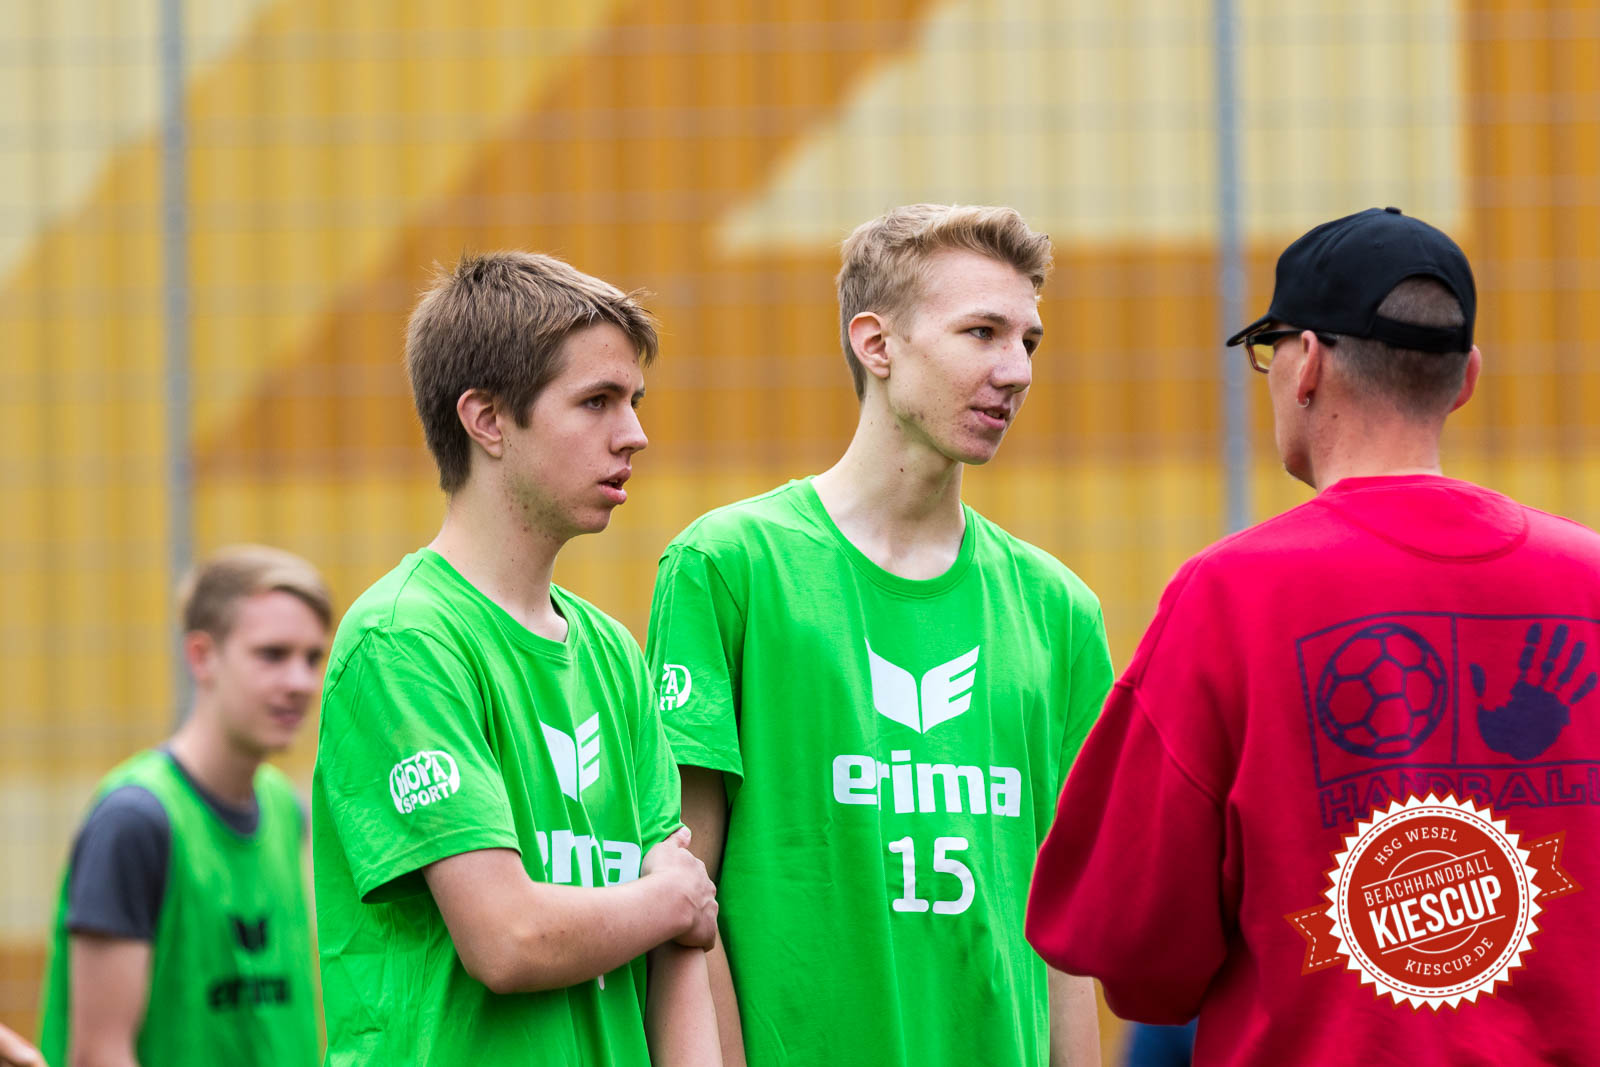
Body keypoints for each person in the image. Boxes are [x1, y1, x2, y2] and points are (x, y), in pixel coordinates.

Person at [1028, 208, 1600, 1065]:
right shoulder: (1588, 579)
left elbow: (1135, 953)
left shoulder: (1229, 595)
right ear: (1467, 375)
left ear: (1308, 365)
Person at [647, 204, 1110, 1066]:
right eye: (981, 332)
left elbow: (1064, 939)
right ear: (877, 343)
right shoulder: (731, 565)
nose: (1015, 370)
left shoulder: (1060, 608)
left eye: (1029, 342)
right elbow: (679, 899)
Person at [312, 252, 719, 1067]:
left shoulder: (612, 651)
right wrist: (666, 899)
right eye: (597, 401)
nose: (634, 433)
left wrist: (670, 906)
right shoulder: (407, 640)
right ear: (487, 420)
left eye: (633, 401)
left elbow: (681, 949)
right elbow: (506, 938)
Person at [38, 544, 331, 1067]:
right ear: (201, 656)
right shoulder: (135, 820)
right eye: (272, 655)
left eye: (313, 658)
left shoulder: (285, 811)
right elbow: (99, 1054)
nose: (300, 682)